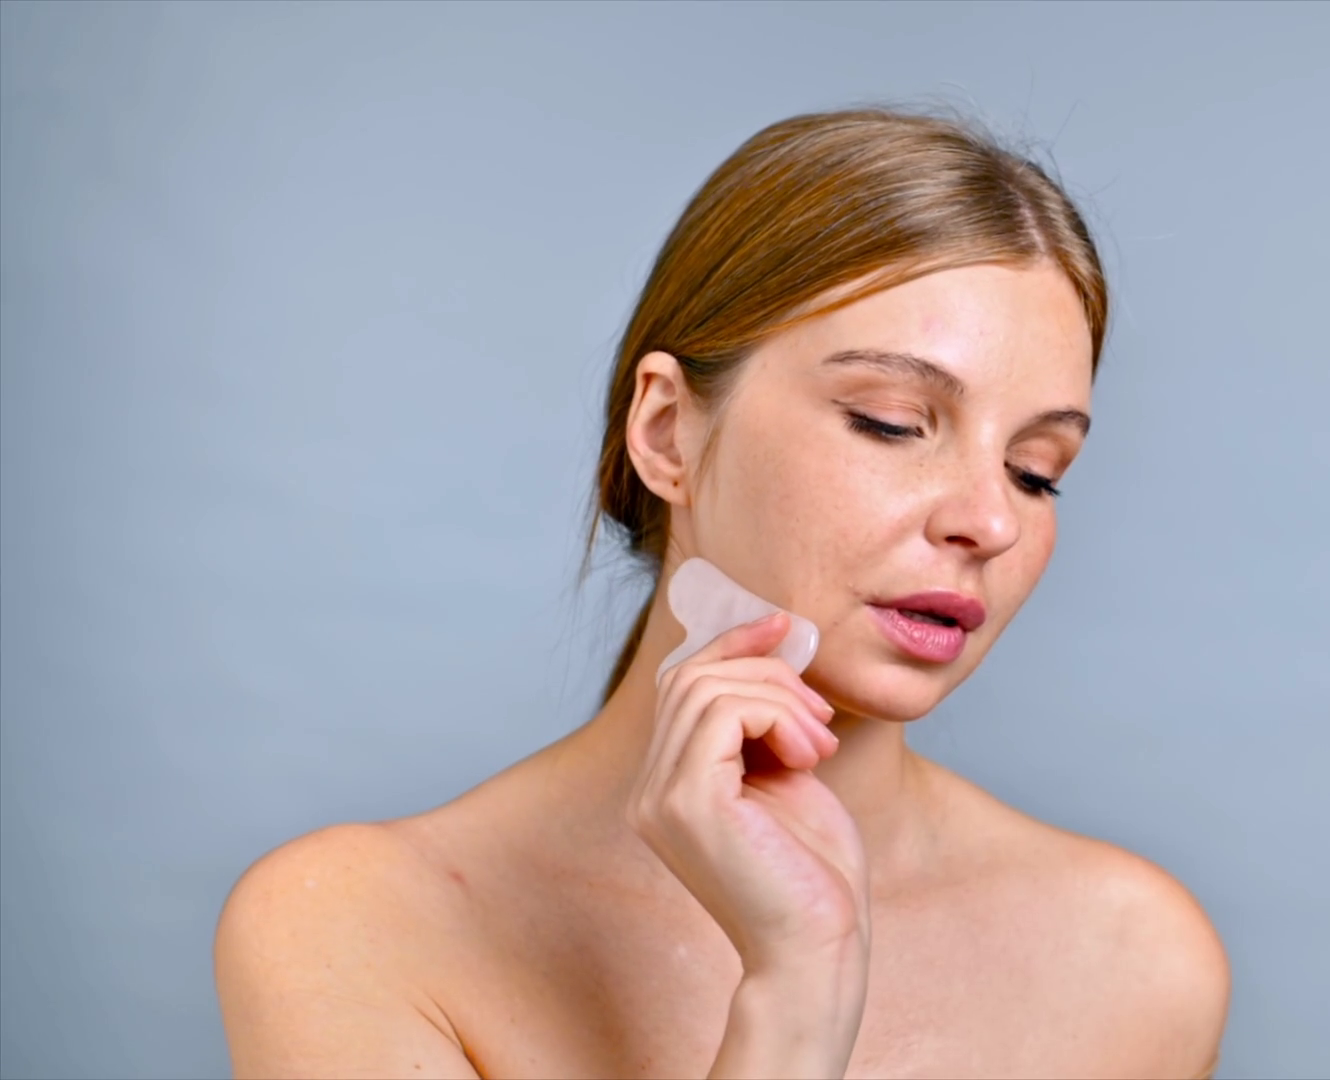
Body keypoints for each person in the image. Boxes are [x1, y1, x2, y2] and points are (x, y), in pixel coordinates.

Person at [213, 105, 1231, 1079]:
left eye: (1037, 471)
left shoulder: (1133, 960)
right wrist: (797, 992)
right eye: (890, 422)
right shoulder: (361, 927)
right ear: (666, 432)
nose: (990, 521)